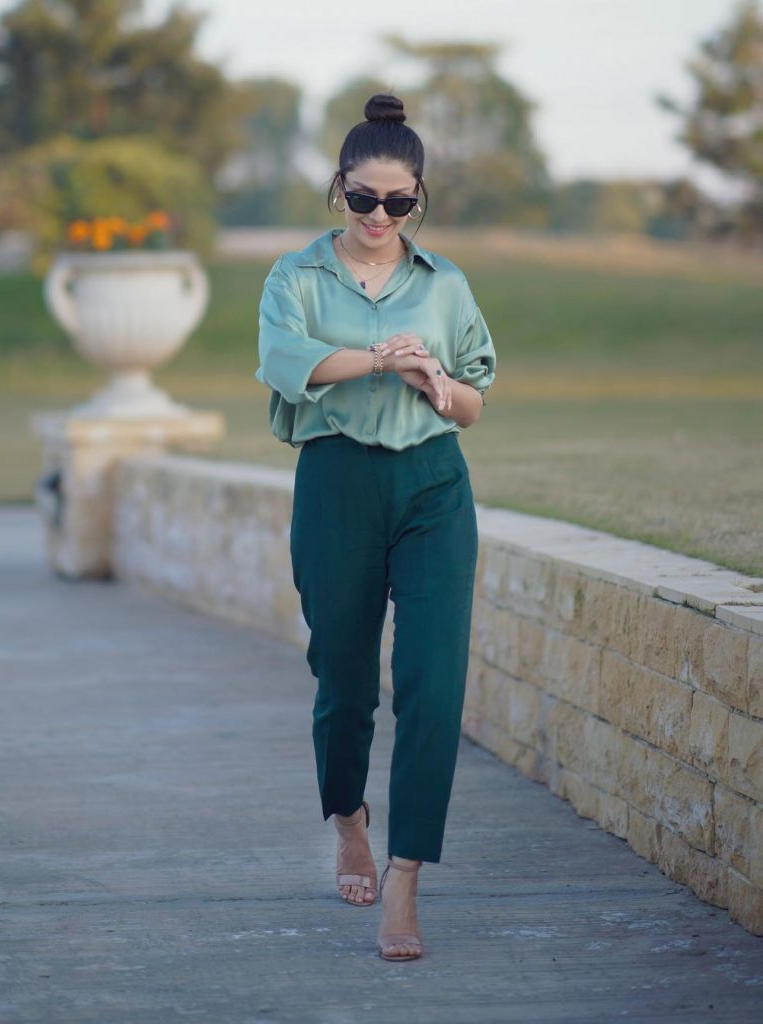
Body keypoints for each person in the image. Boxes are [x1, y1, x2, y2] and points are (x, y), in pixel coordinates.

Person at [255, 93, 497, 962]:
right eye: (363, 200)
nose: (379, 218)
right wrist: (383, 357)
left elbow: (472, 401)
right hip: (336, 483)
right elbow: (291, 365)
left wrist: (433, 376)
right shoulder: (296, 278)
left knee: (433, 685)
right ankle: (349, 816)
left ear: (418, 199)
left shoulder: (447, 284)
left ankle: (404, 876)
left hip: (434, 486)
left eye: (398, 203)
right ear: (338, 190)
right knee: (345, 678)